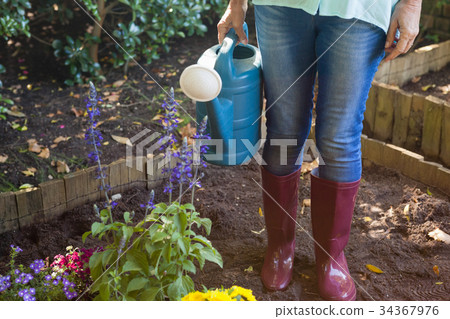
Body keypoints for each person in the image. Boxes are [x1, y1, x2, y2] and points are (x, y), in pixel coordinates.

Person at [217, 0, 422, 301]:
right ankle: (280, 246)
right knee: (283, 127)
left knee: (339, 137)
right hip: (279, 6)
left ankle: (331, 256)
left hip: (362, 8)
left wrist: (410, 3)